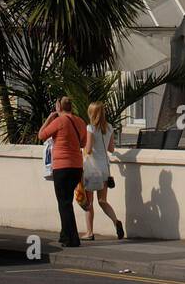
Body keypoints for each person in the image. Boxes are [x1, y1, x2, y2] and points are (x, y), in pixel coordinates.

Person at [38, 97, 87, 247]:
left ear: (59, 106)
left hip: (62, 167)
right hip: (77, 167)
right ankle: (64, 234)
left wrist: (48, 119)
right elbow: (84, 143)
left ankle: (72, 238)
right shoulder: (80, 121)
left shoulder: (59, 122)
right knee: (67, 201)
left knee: (64, 203)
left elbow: (41, 135)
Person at [81, 102, 125, 241]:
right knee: (102, 200)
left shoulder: (90, 128)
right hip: (105, 169)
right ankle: (115, 221)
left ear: (92, 113)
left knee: (89, 202)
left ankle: (89, 232)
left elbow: (88, 149)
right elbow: (111, 148)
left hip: (92, 169)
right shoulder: (109, 127)